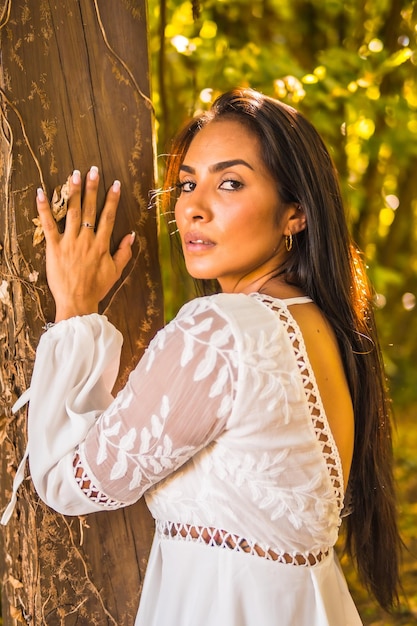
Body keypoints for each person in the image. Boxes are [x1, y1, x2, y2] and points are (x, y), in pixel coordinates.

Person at [5, 88, 400, 624]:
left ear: (296, 213)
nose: (192, 205)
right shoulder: (321, 327)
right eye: (188, 183)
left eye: (230, 182)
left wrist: (75, 309)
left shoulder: (221, 329)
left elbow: (67, 482)